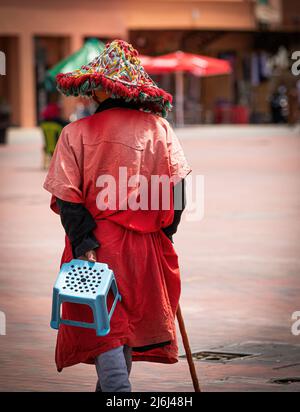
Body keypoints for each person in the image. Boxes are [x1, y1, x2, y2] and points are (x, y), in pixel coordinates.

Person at [43, 39, 191, 392]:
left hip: (98, 248)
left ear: (99, 88)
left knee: (107, 327)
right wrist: (165, 231)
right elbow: (180, 190)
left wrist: (84, 243)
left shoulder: (74, 133)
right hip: (145, 248)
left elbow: (68, 199)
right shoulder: (159, 129)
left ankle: (118, 391)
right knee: (123, 326)